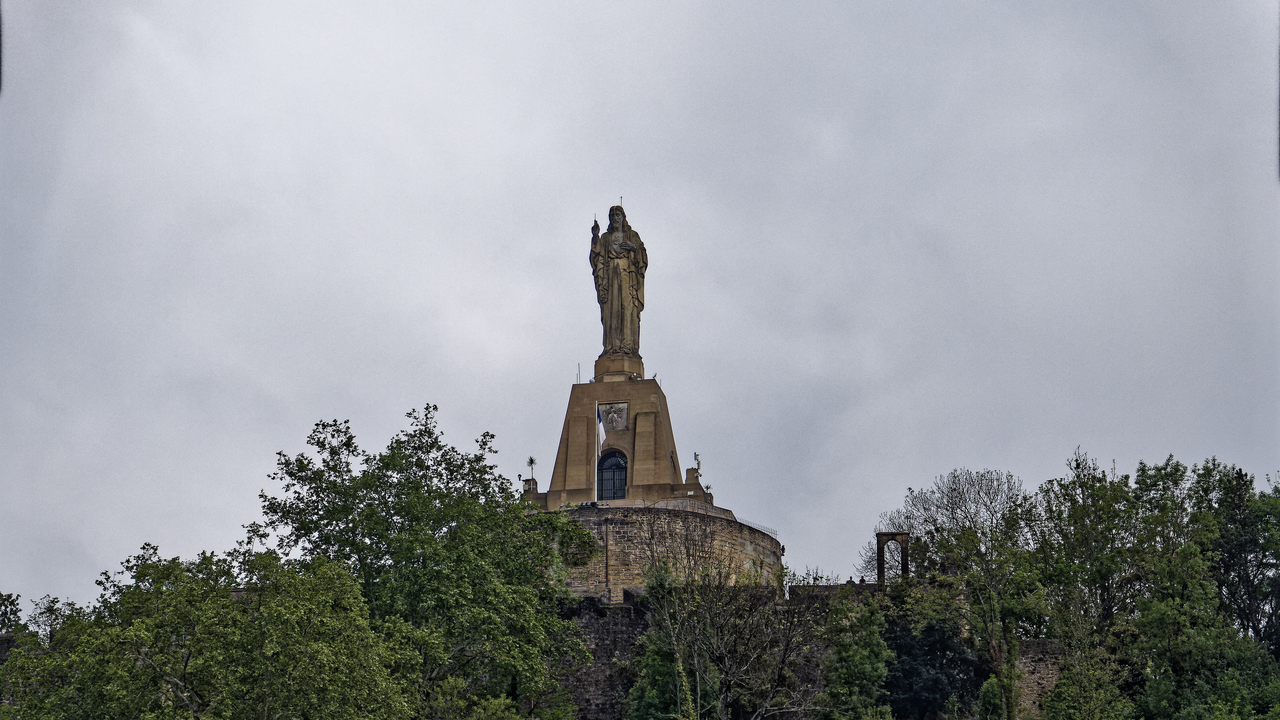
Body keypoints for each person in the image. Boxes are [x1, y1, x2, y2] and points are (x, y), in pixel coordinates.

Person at [590, 206, 647, 356]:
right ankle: (612, 346)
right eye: (612, 215)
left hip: (628, 278)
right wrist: (595, 237)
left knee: (627, 310)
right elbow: (597, 258)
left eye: (618, 214)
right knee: (612, 311)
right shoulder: (606, 238)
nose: (615, 217)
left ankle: (627, 346)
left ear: (623, 217)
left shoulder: (632, 235)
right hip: (610, 279)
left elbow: (643, 256)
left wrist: (633, 248)